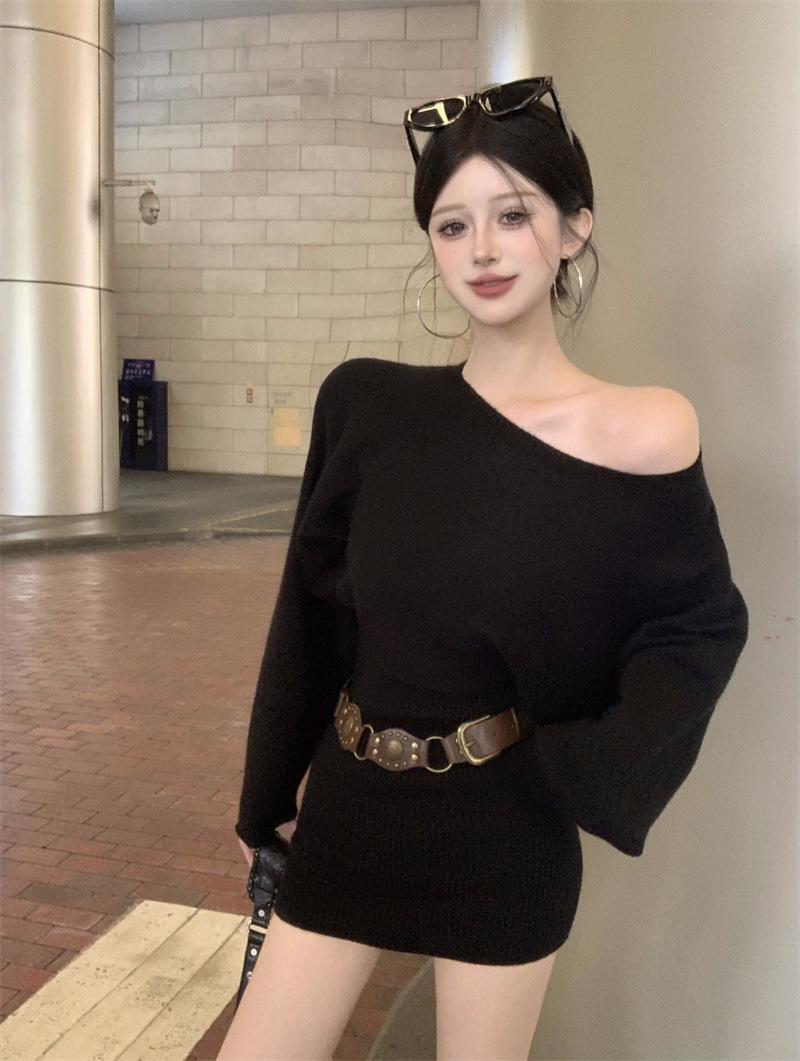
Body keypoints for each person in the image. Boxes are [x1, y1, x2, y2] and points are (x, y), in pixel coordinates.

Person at [217, 77, 749, 1061]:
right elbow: (313, 616)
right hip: (351, 808)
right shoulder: (365, 406)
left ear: (574, 227)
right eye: (452, 225)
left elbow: (697, 623)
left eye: (512, 215)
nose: (483, 250)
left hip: (502, 830)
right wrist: (266, 795)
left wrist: (581, 766)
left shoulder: (641, 429)